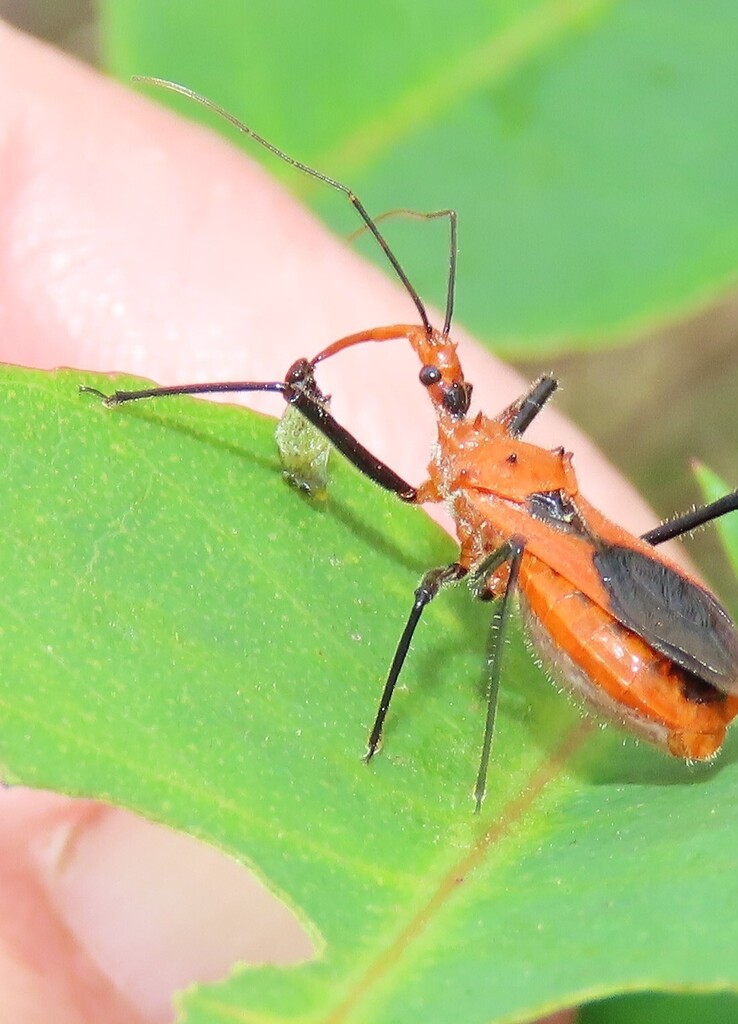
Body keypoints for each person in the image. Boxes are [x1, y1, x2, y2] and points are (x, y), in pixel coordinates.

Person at [0, 21, 656, 1023]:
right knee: (396, 502)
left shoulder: (484, 460)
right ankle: (133, 407)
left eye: (435, 371)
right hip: (553, 562)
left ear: (453, 390)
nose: (429, 372)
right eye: (427, 369)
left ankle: (414, 747)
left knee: (449, 585)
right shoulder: (469, 438)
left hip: (584, 606)